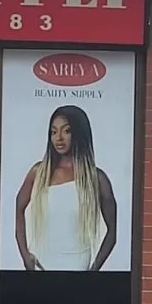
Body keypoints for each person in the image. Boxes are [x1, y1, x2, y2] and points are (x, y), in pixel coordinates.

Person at [15, 105, 117, 271]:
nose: (59, 138)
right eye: (53, 132)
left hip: (79, 264)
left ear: (78, 133)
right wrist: (25, 256)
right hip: (41, 262)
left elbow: (112, 232)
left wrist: (94, 270)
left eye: (66, 131)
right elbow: (19, 209)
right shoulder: (39, 173)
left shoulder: (96, 179)